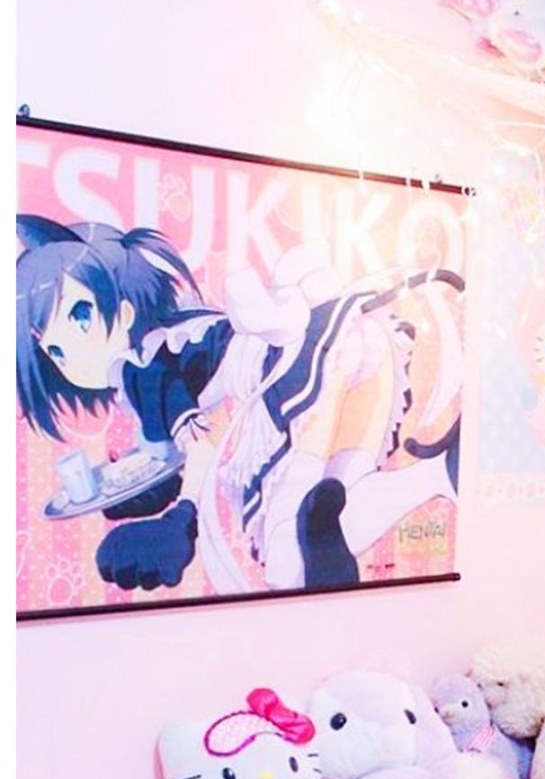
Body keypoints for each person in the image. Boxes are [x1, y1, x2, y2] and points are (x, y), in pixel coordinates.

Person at [16, 215, 463, 593]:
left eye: (80, 316)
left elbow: (191, 437)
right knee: (331, 509)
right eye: (54, 351)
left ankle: (422, 481)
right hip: (355, 337)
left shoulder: (141, 367)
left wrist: (180, 514)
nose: (68, 358)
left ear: (125, 310)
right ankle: (441, 473)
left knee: (287, 563)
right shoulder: (181, 333)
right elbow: (186, 442)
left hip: (297, 370)